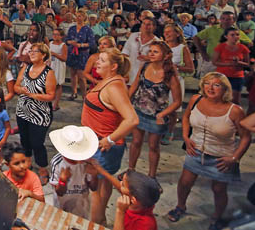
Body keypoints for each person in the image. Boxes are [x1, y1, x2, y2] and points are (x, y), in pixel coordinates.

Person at [167, 72, 251, 230]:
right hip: (196, 150)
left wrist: (234, 158)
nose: (210, 88)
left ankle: (217, 217)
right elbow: (185, 117)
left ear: (225, 89)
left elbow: (246, 137)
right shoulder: (196, 100)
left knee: (219, 189)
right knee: (185, 183)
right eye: (207, 83)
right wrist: (186, 136)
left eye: (216, 85)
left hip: (221, 156)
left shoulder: (234, 111)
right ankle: (180, 206)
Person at [81, 48, 139, 225]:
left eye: (102, 60)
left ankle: (96, 223)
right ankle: (101, 221)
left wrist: (110, 139)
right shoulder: (109, 81)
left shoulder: (113, 86)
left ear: (113, 66)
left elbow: (132, 119)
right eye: (98, 59)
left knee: (94, 190)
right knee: (102, 187)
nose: (97, 62)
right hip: (100, 143)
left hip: (102, 147)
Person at [127, 41, 182, 187]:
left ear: (165, 56)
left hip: (156, 114)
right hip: (139, 110)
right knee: (136, 142)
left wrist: (162, 114)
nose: (151, 53)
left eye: (155, 51)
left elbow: (177, 101)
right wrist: (126, 102)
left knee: (153, 146)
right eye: (150, 51)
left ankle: (151, 175)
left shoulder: (170, 75)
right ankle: (130, 170)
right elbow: (135, 85)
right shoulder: (144, 66)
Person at [14, 42, 57, 185]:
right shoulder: (26, 68)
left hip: (39, 115)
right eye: (30, 51)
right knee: (24, 140)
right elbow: (16, 86)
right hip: (23, 111)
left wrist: (33, 95)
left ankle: (43, 168)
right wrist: (21, 90)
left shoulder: (48, 72)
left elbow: (51, 95)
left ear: (43, 55)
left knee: (37, 143)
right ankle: (27, 163)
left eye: (35, 51)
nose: (31, 53)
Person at [48, 125, 99, 219]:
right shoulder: (57, 163)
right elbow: (59, 192)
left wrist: (94, 175)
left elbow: (93, 187)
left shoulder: (88, 162)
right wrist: (63, 180)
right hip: (62, 205)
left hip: (82, 206)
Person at [163, 23, 195, 143]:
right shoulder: (162, 46)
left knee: (172, 109)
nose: (167, 34)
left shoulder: (182, 48)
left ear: (177, 34)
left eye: (169, 31)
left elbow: (191, 68)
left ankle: (170, 131)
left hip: (175, 81)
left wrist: (176, 67)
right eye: (165, 31)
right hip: (160, 81)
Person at [212, 27, 250, 105]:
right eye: (232, 35)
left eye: (237, 35)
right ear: (226, 36)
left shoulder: (243, 48)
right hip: (222, 76)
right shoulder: (220, 47)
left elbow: (247, 64)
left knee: (235, 101)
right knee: (220, 99)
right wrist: (229, 63)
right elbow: (214, 62)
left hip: (237, 76)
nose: (235, 37)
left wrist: (238, 62)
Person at [65, 10, 95, 100]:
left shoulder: (88, 29)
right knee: (73, 74)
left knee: (81, 76)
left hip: (82, 54)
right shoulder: (72, 28)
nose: (78, 18)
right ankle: (74, 93)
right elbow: (66, 40)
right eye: (77, 16)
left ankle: (84, 96)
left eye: (80, 16)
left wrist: (81, 45)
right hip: (72, 53)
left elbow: (91, 43)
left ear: (84, 17)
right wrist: (71, 42)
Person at [122, 17, 161, 85]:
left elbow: (160, 60)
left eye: (149, 24)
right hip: (130, 72)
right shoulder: (133, 36)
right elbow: (125, 53)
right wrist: (123, 72)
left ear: (154, 27)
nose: (145, 26)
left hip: (146, 75)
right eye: (144, 23)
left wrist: (148, 58)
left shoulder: (157, 42)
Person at [49, 28, 68, 111]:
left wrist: (55, 54)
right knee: (51, 84)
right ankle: (50, 101)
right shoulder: (50, 43)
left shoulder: (63, 45)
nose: (55, 36)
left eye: (57, 34)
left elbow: (64, 58)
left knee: (58, 84)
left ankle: (56, 103)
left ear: (61, 36)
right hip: (51, 64)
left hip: (59, 65)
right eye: (54, 34)